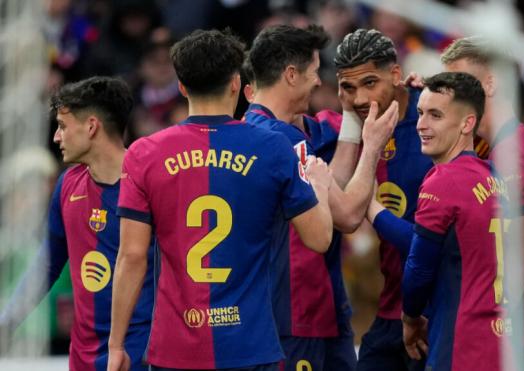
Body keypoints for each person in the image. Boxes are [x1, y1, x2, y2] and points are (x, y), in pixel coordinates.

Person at [107, 29, 334, 371]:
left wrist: (116, 344)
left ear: (182, 87)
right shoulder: (272, 147)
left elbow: (132, 256)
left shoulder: (143, 154)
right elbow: (320, 239)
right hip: (251, 346)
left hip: (175, 350)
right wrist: (319, 185)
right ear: (235, 83)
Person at [244, 24, 398, 371]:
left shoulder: (292, 130)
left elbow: (330, 185)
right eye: (314, 73)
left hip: (323, 306)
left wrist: (350, 113)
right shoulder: (273, 139)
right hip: (293, 313)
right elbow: (345, 215)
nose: (318, 82)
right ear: (291, 74)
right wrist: (372, 145)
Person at [0, 76, 154, 371]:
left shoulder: (150, 183)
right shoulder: (68, 184)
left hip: (140, 352)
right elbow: (48, 263)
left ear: (92, 126)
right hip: (83, 355)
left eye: (62, 126)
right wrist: (8, 322)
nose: (56, 137)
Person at [441, 36, 524, 370]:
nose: (451, 94)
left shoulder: (515, 157)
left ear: (491, 83)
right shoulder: (522, 144)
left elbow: (518, 263)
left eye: (459, 82)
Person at [334, 28, 433, 371]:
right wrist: (350, 123)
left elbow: (514, 143)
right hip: (392, 308)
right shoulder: (352, 130)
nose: (360, 98)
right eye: (348, 88)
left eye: (369, 83)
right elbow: (340, 207)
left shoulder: (436, 114)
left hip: (439, 313)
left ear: (395, 75)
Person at [398, 71, 505, 371]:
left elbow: (418, 268)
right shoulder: (497, 176)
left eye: (435, 115)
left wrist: (410, 317)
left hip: (461, 344)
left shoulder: (444, 181)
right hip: (504, 343)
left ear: (467, 123)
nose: (421, 124)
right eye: (420, 113)